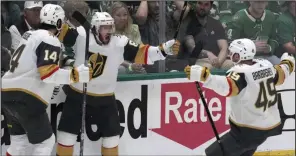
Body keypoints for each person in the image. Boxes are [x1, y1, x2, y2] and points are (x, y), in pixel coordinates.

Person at [56, 12, 180, 156]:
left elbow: (143, 53)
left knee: (112, 137)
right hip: (77, 94)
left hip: (105, 98)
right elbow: (59, 32)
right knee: (66, 133)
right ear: (95, 28)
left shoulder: (120, 43)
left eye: (110, 27)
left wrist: (163, 50)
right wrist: (57, 17)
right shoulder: (82, 35)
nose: (108, 31)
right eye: (104, 27)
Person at [1, 4, 92, 156]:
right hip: (26, 96)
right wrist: (76, 75)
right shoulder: (49, 39)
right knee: (46, 142)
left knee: (19, 144)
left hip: (6, 94)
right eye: (62, 23)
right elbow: (48, 74)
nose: (63, 27)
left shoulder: (30, 35)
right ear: (57, 23)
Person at [184, 38, 295, 156]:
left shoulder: (241, 73)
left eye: (232, 53)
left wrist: (206, 77)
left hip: (246, 132)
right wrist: (288, 62)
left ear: (238, 56)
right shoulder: (266, 66)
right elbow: (282, 72)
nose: (230, 55)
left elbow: (228, 86)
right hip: (266, 129)